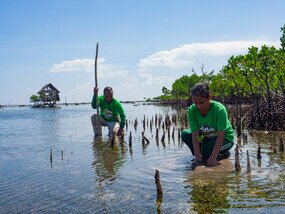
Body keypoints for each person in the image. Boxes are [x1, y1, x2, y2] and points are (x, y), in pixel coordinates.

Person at [181, 83, 234, 167]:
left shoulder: (219, 109)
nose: (198, 106)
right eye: (195, 103)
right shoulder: (192, 110)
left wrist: (213, 157)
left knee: (207, 151)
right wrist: (197, 158)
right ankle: (202, 153)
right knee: (185, 134)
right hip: (206, 137)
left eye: (201, 102)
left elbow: (221, 135)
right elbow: (195, 134)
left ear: (209, 97)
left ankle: (220, 152)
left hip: (225, 139)